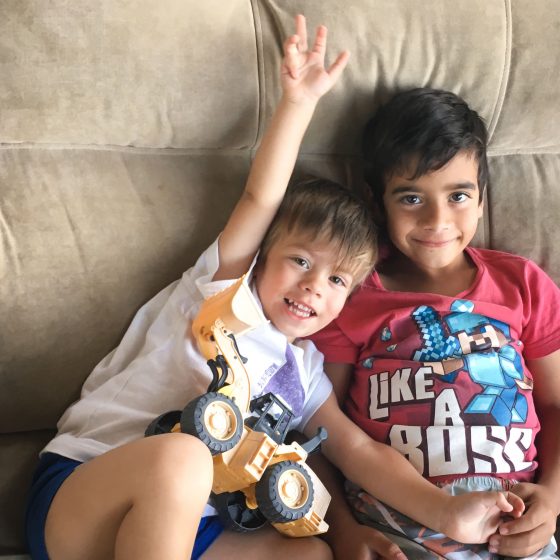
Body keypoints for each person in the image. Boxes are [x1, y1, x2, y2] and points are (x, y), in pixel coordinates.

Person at [25, 18, 524, 560]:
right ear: (261, 257)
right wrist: (299, 103)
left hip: (193, 532)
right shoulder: (223, 293)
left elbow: (358, 451)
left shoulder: (304, 372)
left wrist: (445, 511)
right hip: (86, 492)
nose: (312, 286)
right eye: (300, 261)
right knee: (184, 457)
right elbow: (260, 198)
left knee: (311, 555)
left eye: (336, 280)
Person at [311, 87, 560, 559]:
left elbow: (555, 404)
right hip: (393, 528)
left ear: (482, 199)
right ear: (377, 202)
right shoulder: (349, 297)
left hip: (514, 522)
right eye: (411, 198)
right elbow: (319, 429)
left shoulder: (523, 284)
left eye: (458, 195)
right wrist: (341, 530)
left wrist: (552, 497)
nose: (437, 219)